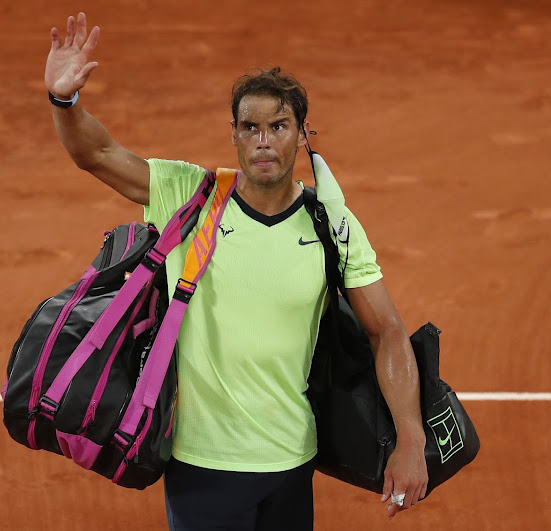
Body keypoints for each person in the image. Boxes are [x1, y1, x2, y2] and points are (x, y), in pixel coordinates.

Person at [45, 12, 428, 531]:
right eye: (250, 127)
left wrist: (411, 438)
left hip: (293, 462)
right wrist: (65, 102)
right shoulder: (191, 197)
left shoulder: (330, 223)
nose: (263, 140)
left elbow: (387, 332)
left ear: (302, 134)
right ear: (234, 135)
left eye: (278, 126)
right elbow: (97, 152)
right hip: (203, 467)